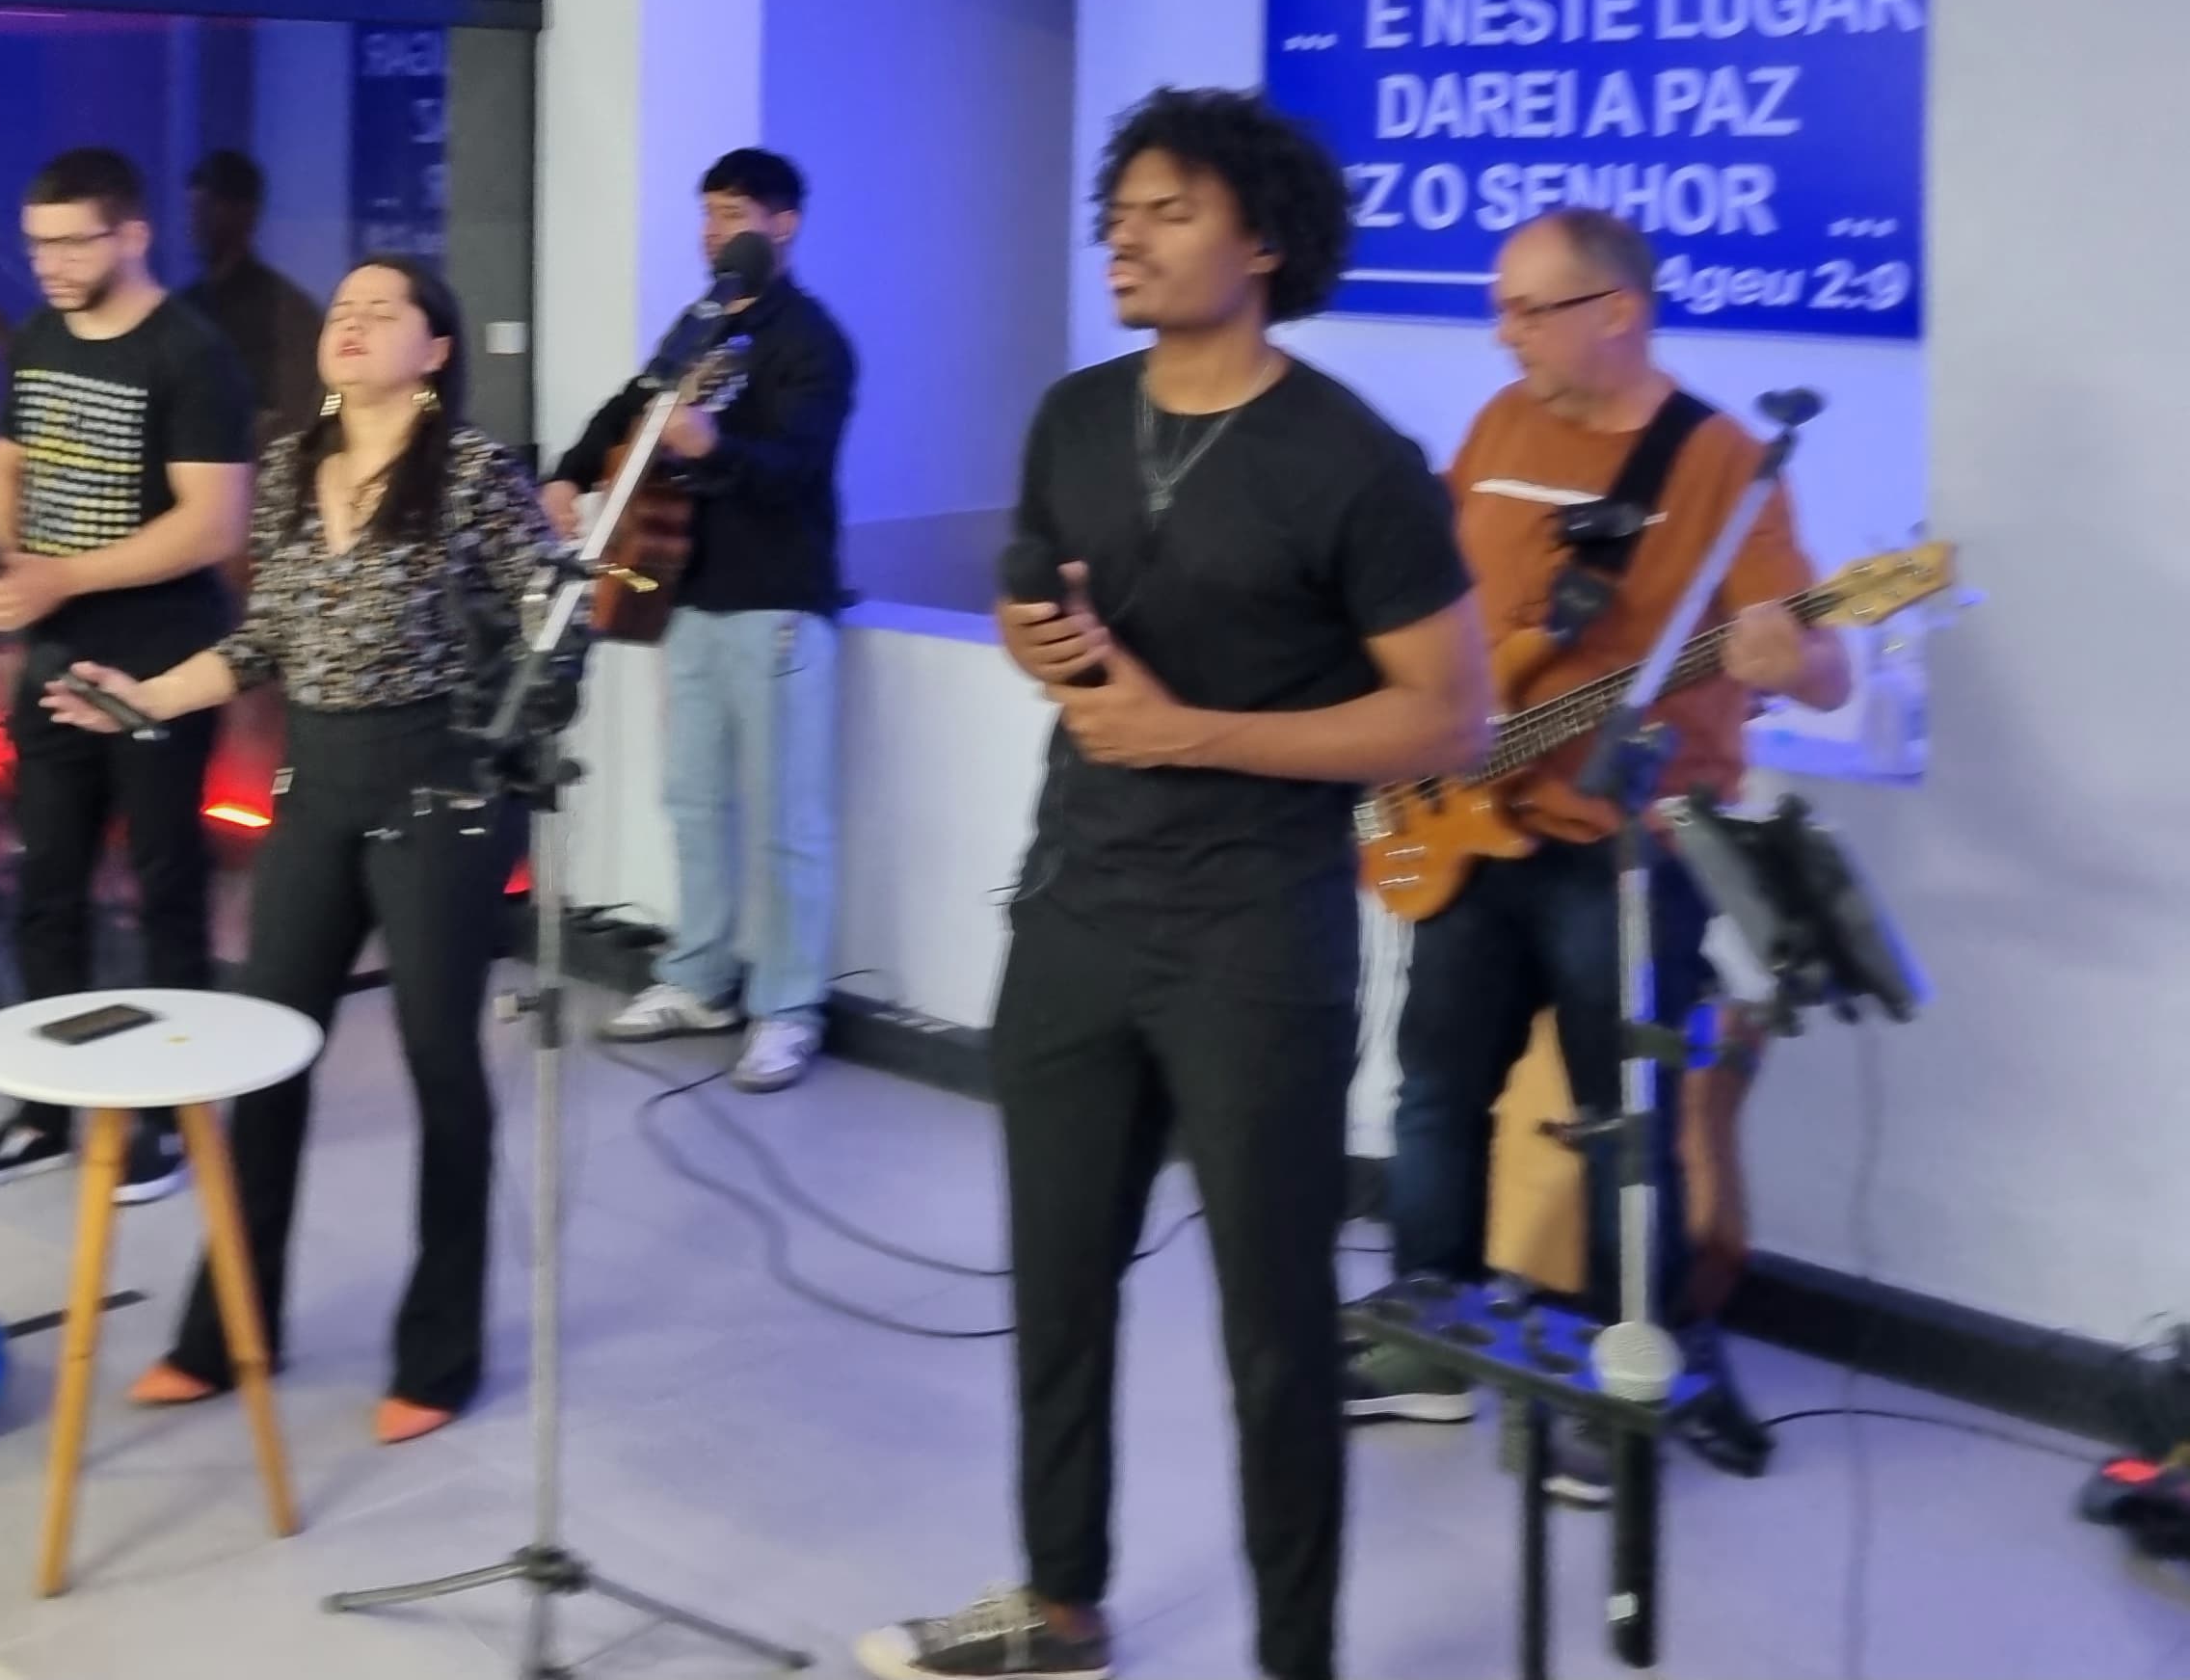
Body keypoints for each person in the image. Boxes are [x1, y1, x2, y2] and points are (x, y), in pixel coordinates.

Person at [867, 91, 1491, 1680]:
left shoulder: (1354, 461)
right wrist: (1046, 650)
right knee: (1058, 1288)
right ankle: (1059, 1603)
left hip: (1255, 939)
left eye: (1169, 211)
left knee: (1276, 1329)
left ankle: (1296, 1655)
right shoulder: (1076, 416)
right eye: (1120, 210)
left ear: (1262, 241)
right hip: (1075, 907)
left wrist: (1188, 729)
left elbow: (1450, 717)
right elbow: (1034, 612)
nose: (1125, 237)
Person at [1346, 206, 1843, 1496]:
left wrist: (1797, 660)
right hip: (1466, 823)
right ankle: (1429, 1341)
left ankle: (1613, 1381)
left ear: (1617, 312)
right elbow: (1454, 613)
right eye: (1500, 308)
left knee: (1626, 1128)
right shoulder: (1500, 427)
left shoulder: (1724, 464)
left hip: (1627, 851)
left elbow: (1825, 666)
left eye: (1527, 310)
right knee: (1434, 1093)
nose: (1502, 334)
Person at [40, 254, 556, 1444]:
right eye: (342, 309)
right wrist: (144, 698)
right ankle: (227, 1330)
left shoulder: (474, 473)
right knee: (265, 1056)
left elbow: (549, 620)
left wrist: (514, 731)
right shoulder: (286, 469)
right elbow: (264, 639)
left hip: (437, 786)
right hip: (315, 783)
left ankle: (438, 1356)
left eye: (384, 311)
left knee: (439, 1063)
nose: (353, 322)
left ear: (435, 350)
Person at [0, 147, 255, 1204]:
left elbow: (213, 525)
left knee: (165, 885)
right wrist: (0, 562)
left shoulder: (191, 353)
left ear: (132, 235)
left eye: (74, 243)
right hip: (52, 647)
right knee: (48, 885)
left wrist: (58, 576)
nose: (51, 265)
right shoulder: (39, 336)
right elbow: (5, 464)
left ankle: (170, 1117)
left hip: (160, 652)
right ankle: (45, 1110)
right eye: (38, 245)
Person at [546, 148, 856, 1093]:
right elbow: (630, 407)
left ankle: (788, 1008)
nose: (715, 232)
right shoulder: (700, 324)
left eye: (734, 214)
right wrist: (567, 472)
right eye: (708, 214)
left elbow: (796, 468)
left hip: (779, 606)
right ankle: (699, 978)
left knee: (790, 821)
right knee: (691, 801)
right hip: (684, 596)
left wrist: (714, 445)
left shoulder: (813, 342)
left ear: (784, 223)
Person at [175, 151, 323, 450]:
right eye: (193, 210)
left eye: (208, 209)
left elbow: (298, 412)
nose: (196, 224)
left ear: (246, 214)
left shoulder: (286, 311)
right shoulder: (184, 306)